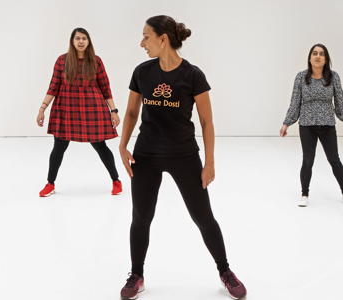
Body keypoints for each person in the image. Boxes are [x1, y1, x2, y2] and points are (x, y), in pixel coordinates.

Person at [118, 16, 247, 300]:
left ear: (163, 39)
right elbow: (130, 113)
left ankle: (225, 270)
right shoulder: (142, 72)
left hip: (184, 155)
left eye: (146, 37)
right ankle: (136, 274)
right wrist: (123, 146)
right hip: (146, 155)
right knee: (140, 217)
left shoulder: (193, 75)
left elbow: (206, 122)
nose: (142, 43)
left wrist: (210, 162)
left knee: (203, 217)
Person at [36, 28, 122, 197]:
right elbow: (53, 87)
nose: (81, 41)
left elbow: (105, 88)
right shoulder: (62, 61)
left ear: (88, 41)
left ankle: (116, 181)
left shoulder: (96, 61)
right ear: (72, 41)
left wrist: (114, 111)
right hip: (66, 110)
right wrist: (42, 109)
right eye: (77, 38)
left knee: (101, 146)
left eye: (84, 38)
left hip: (92, 109)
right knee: (58, 148)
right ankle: (50, 183)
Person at [280, 44, 343, 208]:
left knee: (334, 160)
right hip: (307, 125)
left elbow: (340, 102)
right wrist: (286, 123)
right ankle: (304, 195)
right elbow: (295, 102)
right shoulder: (301, 77)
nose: (318, 56)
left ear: (326, 59)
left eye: (321, 54)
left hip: (327, 125)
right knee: (307, 161)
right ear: (309, 58)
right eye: (314, 53)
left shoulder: (333, 77)